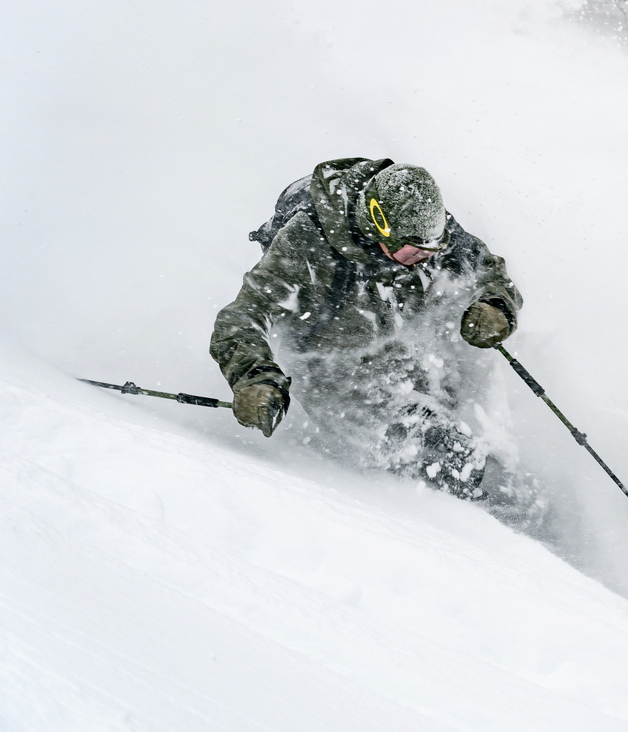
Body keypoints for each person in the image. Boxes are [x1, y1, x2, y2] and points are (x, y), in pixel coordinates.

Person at [210, 157, 526, 507]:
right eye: (412, 251)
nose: (422, 259)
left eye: (429, 251)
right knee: (433, 449)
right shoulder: (306, 242)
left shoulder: (422, 227)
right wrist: (255, 379)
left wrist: (495, 306)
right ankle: (452, 527)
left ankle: (497, 487)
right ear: (377, 223)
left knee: (464, 435)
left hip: (401, 347)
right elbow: (242, 316)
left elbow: (487, 269)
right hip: (332, 370)